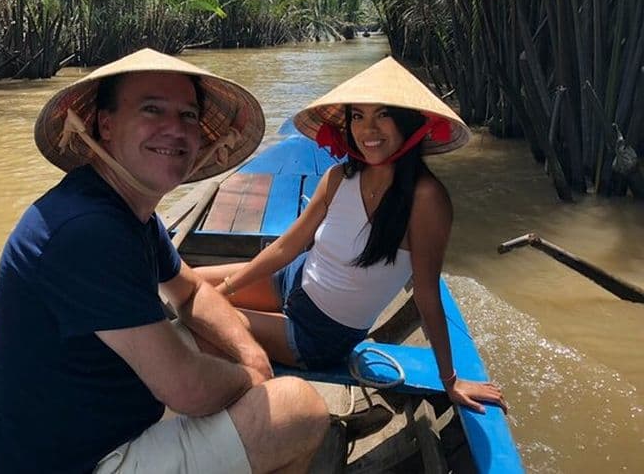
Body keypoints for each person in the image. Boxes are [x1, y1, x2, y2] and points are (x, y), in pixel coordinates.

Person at [0, 48, 330, 474]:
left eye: (187, 116)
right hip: (78, 462)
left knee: (212, 338)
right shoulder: (87, 229)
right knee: (302, 408)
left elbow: (192, 290)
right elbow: (184, 389)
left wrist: (249, 356)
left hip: (89, 426)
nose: (174, 129)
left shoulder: (124, 210)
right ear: (105, 125)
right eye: (152, 110)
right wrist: (250, 380)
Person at [196, 56, 508, 414]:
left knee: (199, 323)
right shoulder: (338, 177)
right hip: (290, 281)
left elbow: (425, 294)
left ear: (409, 123)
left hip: (317, 336)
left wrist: (450, 380)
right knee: (185, 285)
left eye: (382, 115)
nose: (367, 130)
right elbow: (285, 248)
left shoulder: (427, 200)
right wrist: (224, 290)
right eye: (358, 116)